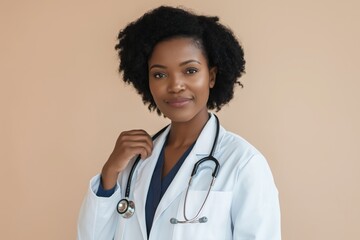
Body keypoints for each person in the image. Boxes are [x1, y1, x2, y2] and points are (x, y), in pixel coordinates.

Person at [77, 6, 281, 240]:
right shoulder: (133, 163)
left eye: (190, 70)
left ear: (212, 76)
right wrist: (110, 172)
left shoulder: (244, 163)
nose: (175, 85)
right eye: (160, 74)